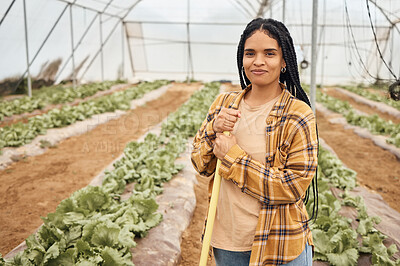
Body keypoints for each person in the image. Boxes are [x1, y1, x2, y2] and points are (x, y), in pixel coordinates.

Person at [191, 18, 319, 266]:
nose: (258, 61)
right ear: (242, 58)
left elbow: (291, 187)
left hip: (279, 244)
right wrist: (212, 130)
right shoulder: (224, 104)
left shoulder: (298, 115)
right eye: (250, 53)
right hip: (228, 242)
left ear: (284, 61)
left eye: (269, 53)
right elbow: (200, 165)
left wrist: (233, 157)